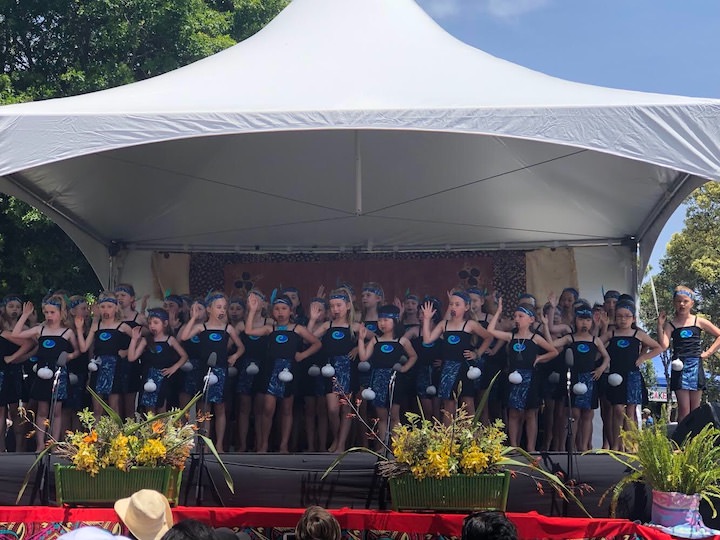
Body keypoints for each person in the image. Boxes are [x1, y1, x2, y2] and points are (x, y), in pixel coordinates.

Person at [245, 293, 321, 453]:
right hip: (271, 370)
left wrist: (302, 355)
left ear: (291, 311)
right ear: (273, 312)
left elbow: (316, 343)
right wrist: (252, 310)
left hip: (290, 371)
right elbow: (249, 330)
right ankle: (264, 444)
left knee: (287, 409)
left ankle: (284, 445)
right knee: (268, 408)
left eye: (284, 309)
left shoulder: (297, 328)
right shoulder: (269, 328)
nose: (280, 312)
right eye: (277, 309)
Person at [487, 298, 558, 451]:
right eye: (515, 316)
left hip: (530, 378)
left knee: (530, 414)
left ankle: (531, 448)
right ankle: (514, 446)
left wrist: (540, 358)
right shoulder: (510, 336)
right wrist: (498, 312)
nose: (517, 319)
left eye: (521, 316)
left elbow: (553, 351)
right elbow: (491, 331)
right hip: (513, 377)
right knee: (513, 413)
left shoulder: (535, 338)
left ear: (531, 319)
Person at [180, 291, 245, 452]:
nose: (222, 310)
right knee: (205, 408)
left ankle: (220, 444)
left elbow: (241, 347)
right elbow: (185, 336)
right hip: (204, 370)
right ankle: (205, 444)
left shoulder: (228, 328)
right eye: (218, 307)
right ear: (209, 309)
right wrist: (194, 318)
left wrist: (235, 356)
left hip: (221, 370)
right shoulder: (202, 327)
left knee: (220, 407)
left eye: (224, 307)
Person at [13, 295, 80, 451]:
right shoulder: (40, 329)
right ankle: (39, 445)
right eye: (47, 312)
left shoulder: (67, 332)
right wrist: (24, 315)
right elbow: (16, 334)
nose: (49, 316)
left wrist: (69, 356)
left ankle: (54, 444)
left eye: (52, 312)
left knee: (56, 410)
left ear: (60, 313)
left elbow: (77, 351)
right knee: (42, 410)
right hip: (43, 372)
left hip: (59, 372)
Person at [308, 288, 362, 453]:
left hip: (347, 368)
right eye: (332, 306)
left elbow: (375, 340)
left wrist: (358, 349)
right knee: (332, 409)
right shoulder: (327, 325)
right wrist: (312, 319)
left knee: (346, 409)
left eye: (339, 305)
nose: (335, 309)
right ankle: (339, 439)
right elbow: (308, 337)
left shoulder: (354, 326)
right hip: (330, 370)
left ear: (347, 306)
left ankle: (340, 445)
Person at [357, 304, 417, 447]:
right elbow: (363, 357)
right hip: (378, 379)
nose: (382, 323)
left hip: (395, 379)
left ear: (395, 321)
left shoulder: (402, 341)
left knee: (394, 415)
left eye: (386, 320)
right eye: (380, 320)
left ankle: (397, 448)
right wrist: (360, 339)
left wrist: (404, 368)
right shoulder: (375, 340)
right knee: (381, 416)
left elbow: (413, 356)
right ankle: (383, 447)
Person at [658, 286, 720, 422]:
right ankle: (682, 441)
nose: (682, 304)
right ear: (674, 303)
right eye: (678, 301)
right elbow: (664, 345)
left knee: (696, 409)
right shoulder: (671, 324)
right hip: (679, 366)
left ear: (691, 303)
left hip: (695, 365)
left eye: (685, 301)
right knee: (684, 409)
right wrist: (659, 326)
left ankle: (695, 441)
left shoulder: (699, 321)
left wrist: (708, 353)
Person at [74, 291, 133, 420]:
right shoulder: (96, 325)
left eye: (109, 306)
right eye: (103, 307)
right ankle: (97, 437)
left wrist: (127, 351)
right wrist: (79, 329)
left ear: (116, 308)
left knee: (114, 407)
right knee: (97, 408)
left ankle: (116, 437)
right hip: (98, 366)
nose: (106, 310)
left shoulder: (122, 326)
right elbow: (84, 347)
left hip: (115, 367)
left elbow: (140, 340)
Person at [128, 308, 188, 414]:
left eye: (156, 323)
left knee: (162, 408)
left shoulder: (170, 340)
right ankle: (150, 430)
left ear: (165, 323)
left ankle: (162, 431)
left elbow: (184, 356)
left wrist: (173, 368)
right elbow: (131, 357)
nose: (152, 326)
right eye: (150, 323)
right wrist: (134, 339)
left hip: (163, 377)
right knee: (149, 409)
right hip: (148, 377)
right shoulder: (146, 340)